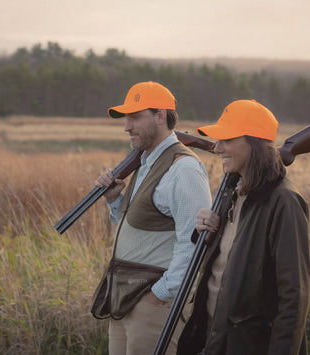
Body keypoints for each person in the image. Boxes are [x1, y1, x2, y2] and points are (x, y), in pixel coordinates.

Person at [177, 99, 310, 354]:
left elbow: (294, 299)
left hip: (250, 344)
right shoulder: (233, 192)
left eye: (226, 140)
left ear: (255, 144)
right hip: (214, 337)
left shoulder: (284, 202)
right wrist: (205, 233)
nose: (216, 149)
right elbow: (231, 266)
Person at [91, 81, 212, 355]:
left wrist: (159, 294)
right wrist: (114, 200)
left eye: (135, 117)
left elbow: (193, 245)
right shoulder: (145, 161)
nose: (126, 127)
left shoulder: (184, 169)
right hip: (124, 297)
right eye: (125, 118)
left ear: (160, 116)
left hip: (153, 304)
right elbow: (139, 228)